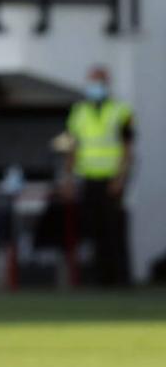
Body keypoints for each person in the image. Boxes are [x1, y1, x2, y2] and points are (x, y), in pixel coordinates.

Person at [62, 65, 134, 287]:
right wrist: (68, 178)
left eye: (98, 82)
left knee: (114, 228)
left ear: (106, 83)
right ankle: (98, 278)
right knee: (93, 230)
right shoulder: (79, 112)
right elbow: (72, 147)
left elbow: (128, 148)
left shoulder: (120, 110)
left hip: (112, 179)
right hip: (88, 178)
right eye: (91, 81)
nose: (94, 87)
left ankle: (120, 279)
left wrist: (121, 178)